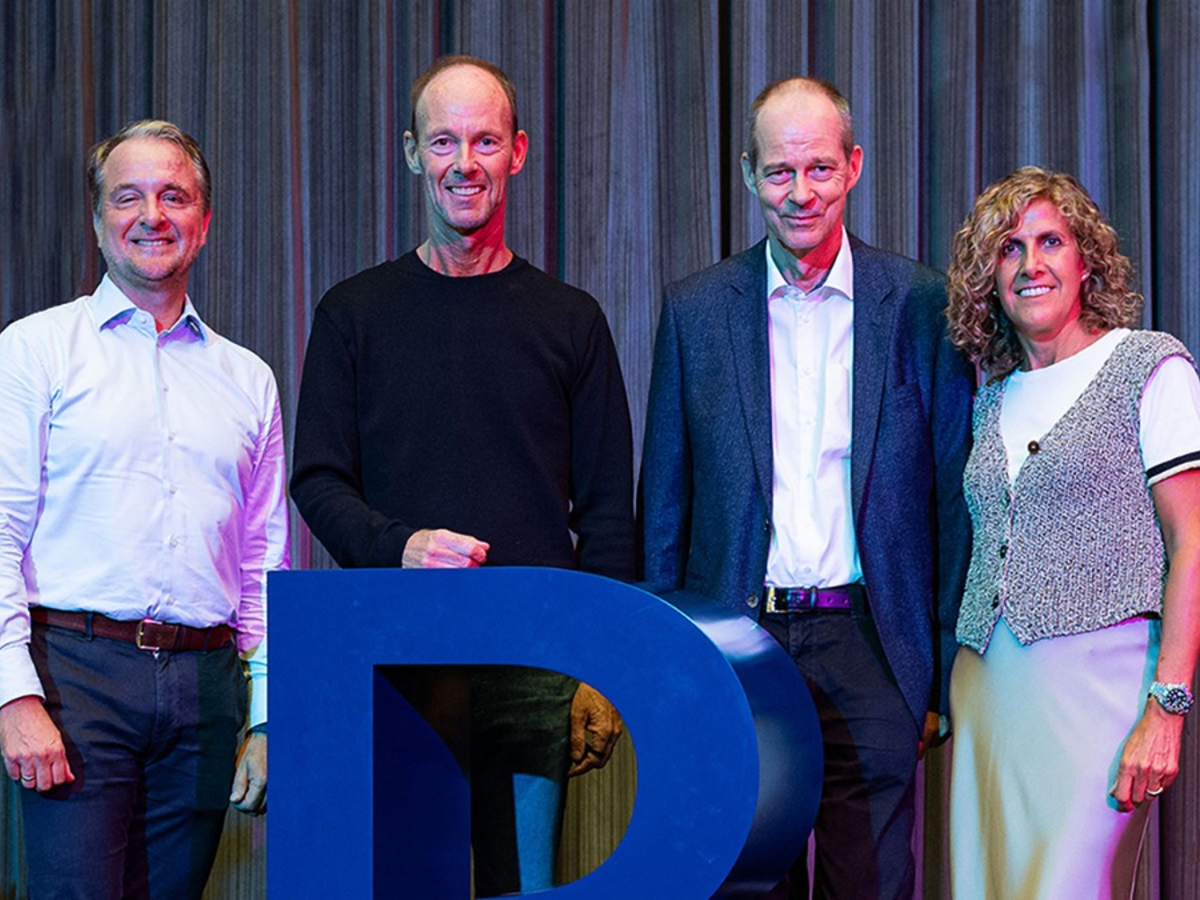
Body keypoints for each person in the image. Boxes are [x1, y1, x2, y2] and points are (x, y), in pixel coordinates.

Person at [289, 56, 635, 896]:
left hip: (535, 666)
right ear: (413, 154)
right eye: (444, 141)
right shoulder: (354, 314)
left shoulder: (571, 320)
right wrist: (400, 546)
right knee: (407, 885)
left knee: (525, 888)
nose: (464, 162)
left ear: (517, 152)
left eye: (485, 141)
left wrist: (600, 665)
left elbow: (607, 515)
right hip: (396, 661)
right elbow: (319, 480)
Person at [640, 77, 973, 898]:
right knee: (749, 884)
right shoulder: (696, 312)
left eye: (819, 168)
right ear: (749, 175)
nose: (801, 192)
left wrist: (936, 669)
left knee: (872, 885)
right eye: (780, 171)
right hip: (737, 642)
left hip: (874, 645)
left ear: (853, 167)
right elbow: (665, 508)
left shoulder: (922, 305)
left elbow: (952, 501)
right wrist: (669, 661)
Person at [0, 120, 284, 898]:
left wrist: (267, 717)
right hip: (75, 679)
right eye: (127, 197)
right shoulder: (34, 351)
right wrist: (13, 695)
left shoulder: (248, 379)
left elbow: (263, 562)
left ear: (204, 221)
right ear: (98, 221)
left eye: (174, 196)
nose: (152, 215)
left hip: (206, 686)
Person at [945, 166, 1200, 898]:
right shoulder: (989, 401)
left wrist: (1168, 706)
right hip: (988, 693)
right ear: (989, 279)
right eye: (1010, 248)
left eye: (1050, 241)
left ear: (1086, 260)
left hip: (1101, 697)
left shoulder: (1149, 366)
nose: (1032, 264)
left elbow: (1192, 545)